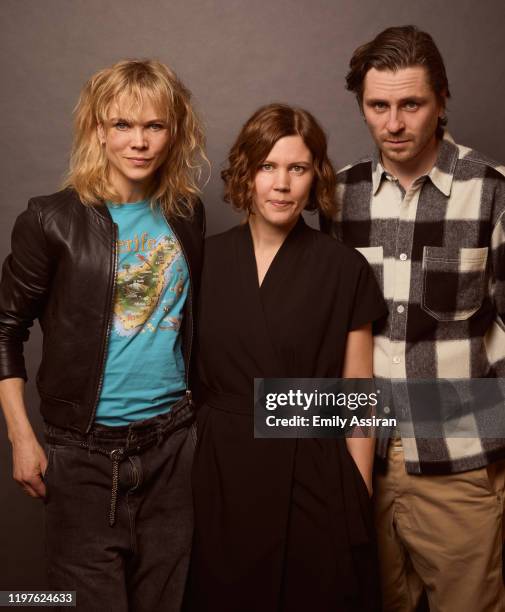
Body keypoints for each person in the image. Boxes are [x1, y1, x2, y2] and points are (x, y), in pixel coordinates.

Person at [0, 59, 206, 611]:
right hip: (83, 455)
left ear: (174, 132)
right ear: (98, 129)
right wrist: (22, 438)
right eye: (122, 125)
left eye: (154, 126)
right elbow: (5, 331)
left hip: (173, 446)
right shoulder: (50, 221)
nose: (138, 141)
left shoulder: (187, 213)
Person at [320, 25, 505, 611]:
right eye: (378, 106)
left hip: (459, 460)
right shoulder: (336, 196)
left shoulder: (491, 191)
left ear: (441, 101)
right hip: (357, 458)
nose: (393, 124)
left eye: (410, 104)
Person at [186, 103, 387, 612]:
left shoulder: (344, 268)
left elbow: (357, 396)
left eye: (297, 169)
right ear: (247, 173)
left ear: (313, 177)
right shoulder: (202, 259)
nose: (282, 184)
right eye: (267, 167)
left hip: (314, 469)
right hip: (221, 473)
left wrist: (357, 492)